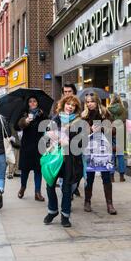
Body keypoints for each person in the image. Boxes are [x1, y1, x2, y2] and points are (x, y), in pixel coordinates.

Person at [43, 95, 83, 228]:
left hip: (70, 160)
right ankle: (52, 211)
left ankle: (65, 216)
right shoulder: (56, 118)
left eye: (73, 105)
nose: (70, 107)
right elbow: (46, 135)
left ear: (76, 108)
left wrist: (69, 141)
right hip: (55, 157)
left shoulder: (78, 122)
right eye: (68, 104)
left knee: (66, 189)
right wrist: (51, 136)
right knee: (50, 184)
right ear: (63, 104)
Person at [81, 91, 117, 215]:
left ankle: (109, 204)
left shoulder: (106, 113)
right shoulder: (84, 115)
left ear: (97, 101)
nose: (90, 104)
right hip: (89, 149)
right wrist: (88, 129)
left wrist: (102, 128)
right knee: (89, 176)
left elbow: (114, 131)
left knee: (106, 176)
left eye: (92, 101)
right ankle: (87, 201)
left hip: (104, 149)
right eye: (88, 102)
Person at [16, 96, 48, 202]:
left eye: (35, 101)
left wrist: (42, 117)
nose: (33, 103)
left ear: (37, 103)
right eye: (30, 101)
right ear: (28, 103)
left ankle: (37, 193)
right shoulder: (24, 114)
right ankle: (23, 187)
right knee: (25, 169)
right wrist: (26, 122)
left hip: (39, 145)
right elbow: (18, 125)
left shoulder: (43, 115)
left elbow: (47, 126)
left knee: (38, 170)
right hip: (26, 146)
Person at [61, 83, 81, 198]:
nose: (67, 94)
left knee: (74, 177)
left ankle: (72, 190)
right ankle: (66, 199)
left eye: (70, 91)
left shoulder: (78, 118)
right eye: (65, 92)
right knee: (64, 180)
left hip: (74, 154)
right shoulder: (59, 115)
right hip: (61, 154)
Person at [107, 94, 128, 183]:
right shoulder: (123, 110)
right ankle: (121, 176)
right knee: (120, 155)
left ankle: (111, 176)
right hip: (120, 132)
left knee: (111, 155)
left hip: (111, 132)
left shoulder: (108, 109)